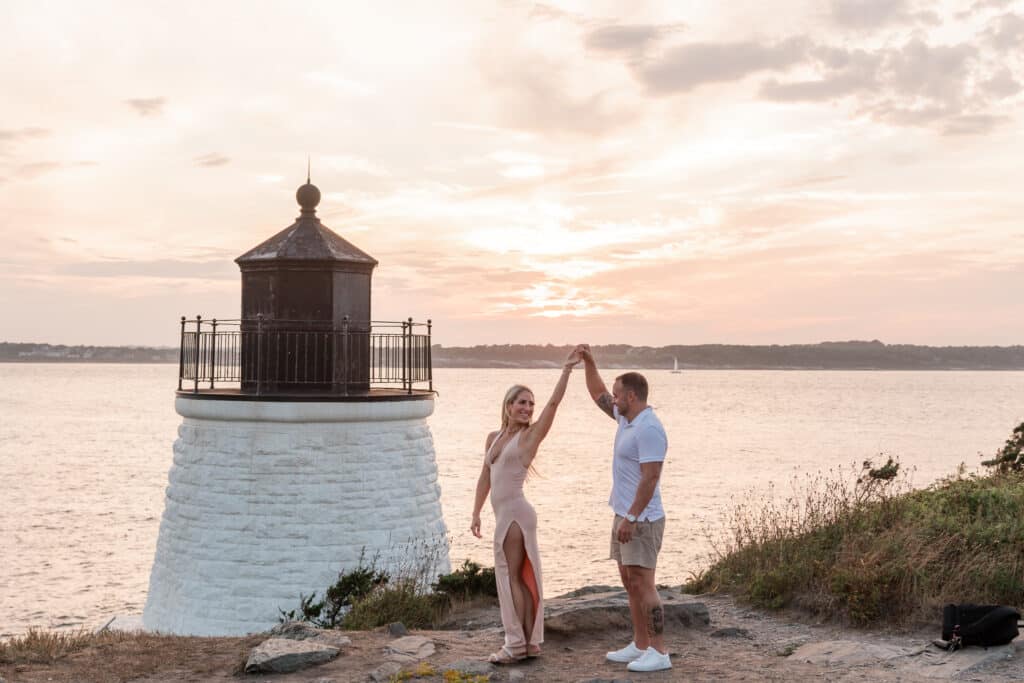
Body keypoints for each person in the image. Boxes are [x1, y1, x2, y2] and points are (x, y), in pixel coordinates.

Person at [471, 349, 580, 664]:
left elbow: (554, 405)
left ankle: (516, 644)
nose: (528, 408)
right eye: (522, 402)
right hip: (503, 515)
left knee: (511, 578)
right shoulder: (494, 437)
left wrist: (566, 370)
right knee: (516, 577)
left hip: (517, 516)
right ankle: (528, 644)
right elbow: (484, 477)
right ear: (508, 406)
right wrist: (476, 512)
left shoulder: (530, 438)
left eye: (531, 404)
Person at [578, 344, 672, 673]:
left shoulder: (649, 428)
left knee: (644, 584)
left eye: (618, 395)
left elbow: (651, 478)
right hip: (624, 514)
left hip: (642, 518)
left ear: (631, 396)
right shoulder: (626, 419)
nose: (613, 400)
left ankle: (659, 652)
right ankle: (640, 644)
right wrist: (589, 362)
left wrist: (631, 517)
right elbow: (597, 393)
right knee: (629, 582)